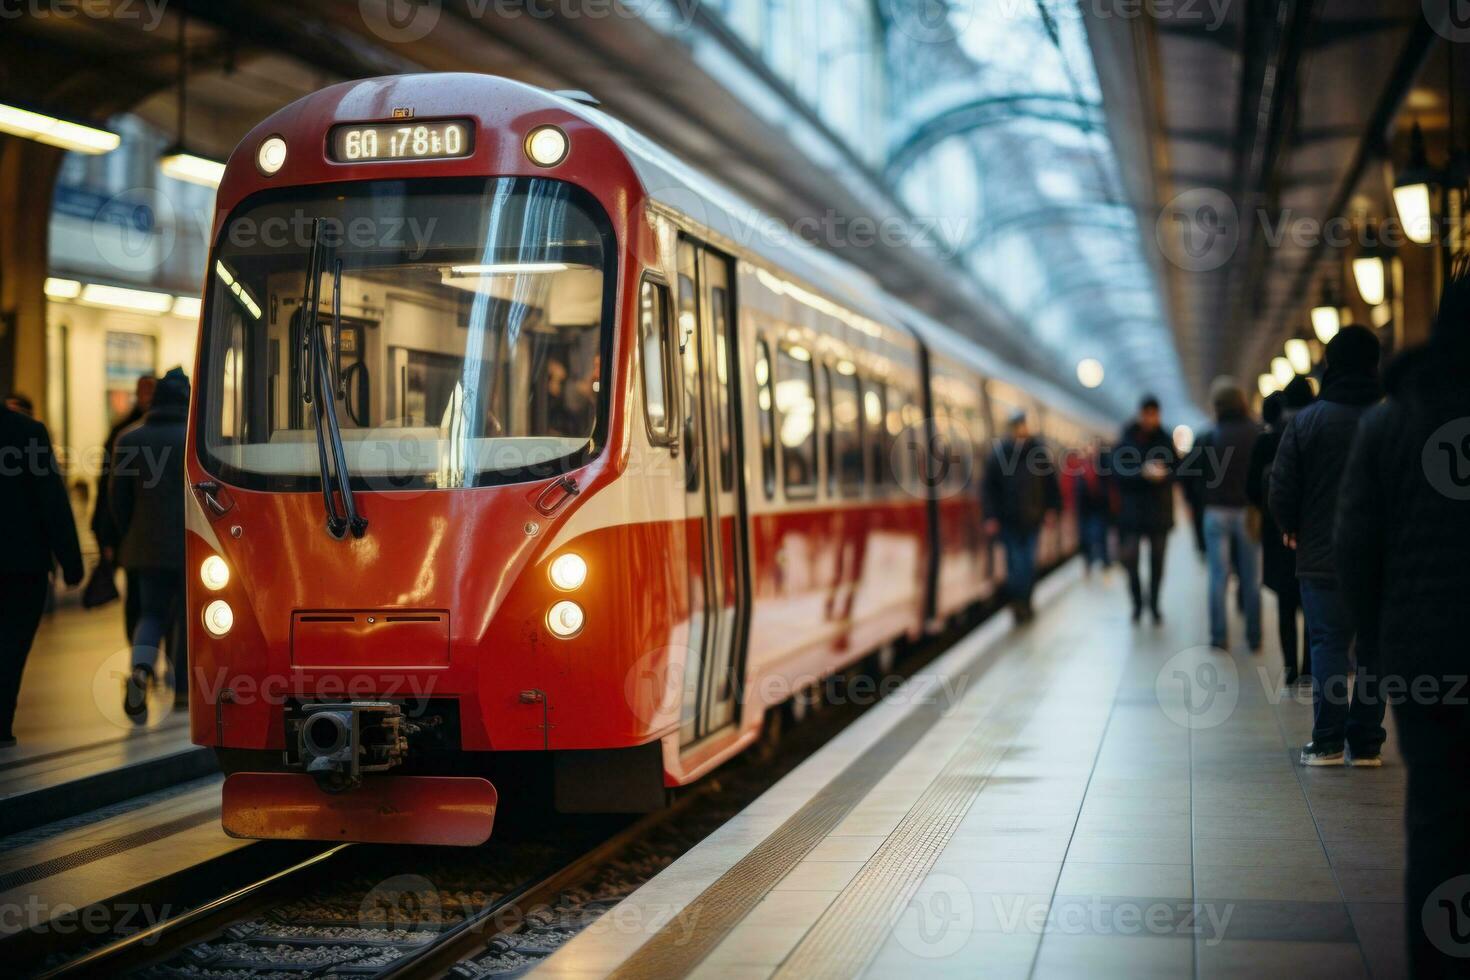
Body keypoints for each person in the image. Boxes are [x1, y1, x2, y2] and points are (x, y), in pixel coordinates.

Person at [1337, 269, 1470, 976]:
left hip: (1425, 663)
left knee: (1439, 823)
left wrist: (1376, 643)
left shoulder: (1391, 421)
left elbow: (1356, 545)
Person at [1269, 325, 1385, 767]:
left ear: (1330, 365)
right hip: (1382, 557)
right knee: (1374, 648)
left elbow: (1282, 486)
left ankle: (1329, 741)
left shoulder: (1307, 421)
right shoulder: (1393, 417)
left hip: (1322, 555)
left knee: (1328, 644)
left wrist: (1289, 526)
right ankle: (1368, 743)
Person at [0, 400, 84, 747]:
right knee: (11, 645)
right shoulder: (27, 432)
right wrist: (71, 561)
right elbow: (52, 501)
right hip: (22, 564)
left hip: (24, 564)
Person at [110, 368, 188, 716]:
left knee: (151, 613)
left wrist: (131, 534)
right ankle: (185, 691)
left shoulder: (128, 439)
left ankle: (141, 671)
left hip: (143, 547)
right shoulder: (194, 439)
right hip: (192, 547)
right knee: (190, 618)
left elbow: (118, 501)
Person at [1187, 378, 1262, 652]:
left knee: (1218, 577)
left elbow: (1191, 480)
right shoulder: (1258, 433)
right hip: (1247, 512)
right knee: (1251, 578)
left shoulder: (1207, 436)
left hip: (1216, 512)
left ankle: (1219, 636)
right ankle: (1254, 637)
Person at [1248, 380, 1315, 684]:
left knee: (1286, 603)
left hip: (1278, 533)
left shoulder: (1268, 440)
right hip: (1314, 532)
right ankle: (1309, 669)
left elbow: (1251, 488)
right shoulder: (1318, 431)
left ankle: (1289, 669)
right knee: (1313, 604)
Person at [93, 374, 155, 643]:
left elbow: (111, 493)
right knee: (157, 605)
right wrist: (107, 535)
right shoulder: (186, 433)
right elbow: (108, 491)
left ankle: (141, 663)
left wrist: (110, 534)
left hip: (134, 540)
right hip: (145, 539)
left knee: (140, 605)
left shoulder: (124, 434)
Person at [982, 411, 1061, 623]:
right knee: (1015, 565)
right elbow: (989, 488)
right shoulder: (1000, 455)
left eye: (1022, 426)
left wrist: (1052, 509)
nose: (1020, 431)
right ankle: (1018, 602)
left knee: (1027, 563)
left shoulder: (1039, 454)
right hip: (1009, 521)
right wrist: (990, 516)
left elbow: (1051, 485)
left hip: (1032, 520)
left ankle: (1025, 601)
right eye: (1016, 427)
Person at [1113, 395, 1178, 624]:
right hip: (1132, 514)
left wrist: (1164, 474)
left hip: (1159, 513)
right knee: (1131, 561)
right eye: (1147, 413)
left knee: (1157, 562)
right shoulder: (1126, 439)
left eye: (1154, 413)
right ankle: (1137, 603)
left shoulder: (1166, 440)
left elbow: (1178, 472)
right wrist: (1142, 473)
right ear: (1141, 414)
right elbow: (1117, 472)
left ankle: (1154, 603)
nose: (1151, 418)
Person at [1073, 440, 1113, 574]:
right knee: (1088, 538)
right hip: (1085, 510)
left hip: (1099, 508)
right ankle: (1090, 564)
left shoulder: (1103, 465)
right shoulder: (1080, 468)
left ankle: (1105, 564)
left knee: (1100, 537)